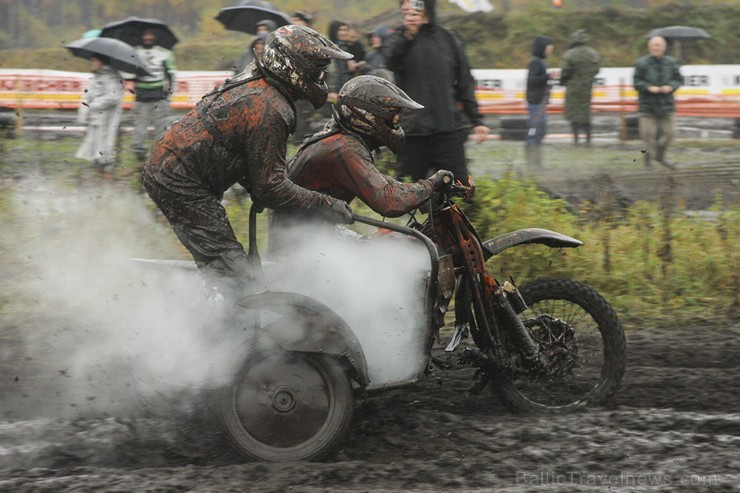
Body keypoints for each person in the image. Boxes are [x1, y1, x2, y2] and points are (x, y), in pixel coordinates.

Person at [142, 25, 354, 285]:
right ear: (296, 67)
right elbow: (270, 187)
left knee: (232, 262)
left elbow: (245, 155)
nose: (323, 76)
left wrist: (294, 197)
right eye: (318, 69)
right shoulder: (270, 108)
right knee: (232, 271)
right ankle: (208, 319)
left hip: (177, 167)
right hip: (179, 180)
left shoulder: (257, 81)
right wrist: (325, 204)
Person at [270, 75, 453, 252]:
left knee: (389, 242)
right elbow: (389, 201)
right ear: (369, 115)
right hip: (302, 246)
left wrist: (421, 192)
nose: (396, 122)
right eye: (392, 117)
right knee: (390, 256)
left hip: (313, 233)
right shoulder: (344, 148)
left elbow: (378, 181)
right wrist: (431, 184)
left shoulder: (341, 139)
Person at [383, 0, 489, 183]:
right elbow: (390, 62)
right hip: (413, 132)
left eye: (416, 4)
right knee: (408, 191)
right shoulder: (398, 38)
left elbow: (464, 80)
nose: (411, 10)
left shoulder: (448, 38)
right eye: (406, 6)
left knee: (458, 187)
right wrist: (408, 35)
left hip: (447, 129)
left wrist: (476, 120)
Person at [633, 36, 682, 168]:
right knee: (648, 137)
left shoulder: (671, 63)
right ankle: (647, 162)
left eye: (659, 45)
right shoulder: (641, 63)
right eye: (654, 45)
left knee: (670, 134)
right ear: (649, 47)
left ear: (664, 48)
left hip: (666, 104)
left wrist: (671, 86)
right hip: (647, 105)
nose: (656, 48)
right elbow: (636, 82)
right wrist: (648, 87)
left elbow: (679, 79)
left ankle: (660, 156)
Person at [132, 28, 177, 162]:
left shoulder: (164, 53)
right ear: (142, 36)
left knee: (161, 128)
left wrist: (168, 94)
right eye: (146, 34)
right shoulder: (135, 52)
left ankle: (161, 156)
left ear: (155, 36)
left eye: (151, 34)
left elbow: (171, 74)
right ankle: (140, 157)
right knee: (140, 129)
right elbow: (130, 71)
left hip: (159, 96)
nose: (148, 37)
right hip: (141, 96)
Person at [75, 55, 123, 176]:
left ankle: (108, 176)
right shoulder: (95, 77)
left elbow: (114, 97)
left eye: (94, 60)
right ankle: (97, 177)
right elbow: (87, 96)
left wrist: (92, 106)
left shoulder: (112, 77)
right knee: (94, 149)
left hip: (107, 120)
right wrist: (84, 111)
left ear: (101, 61)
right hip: (95, 120)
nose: (91, 62)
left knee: (106, 149)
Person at [560, 29, 600, 145]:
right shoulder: (593, 53)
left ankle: (576, 138)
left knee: (573, 114)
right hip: (587, 88)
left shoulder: (570, 54)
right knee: (585, 114)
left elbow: (565, 71)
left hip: (573, 88)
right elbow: (596, 70)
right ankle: (588, 138)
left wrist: (564, 82)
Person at [525, 35, 554, 167]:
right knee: (535, 131)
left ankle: (537, 162)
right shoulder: (535, 62)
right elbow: (533, 81)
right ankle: (532, 162)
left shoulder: (542, 61)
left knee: (541, 131)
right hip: (536, 102)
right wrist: (547, 77)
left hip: (541, 102)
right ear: (542, 47)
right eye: (549, 45)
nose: (551, 48)